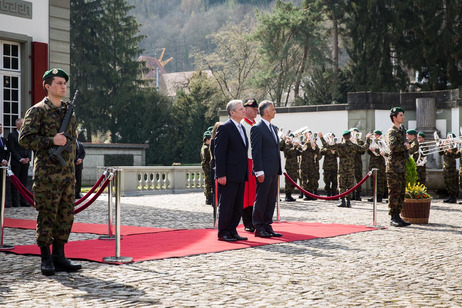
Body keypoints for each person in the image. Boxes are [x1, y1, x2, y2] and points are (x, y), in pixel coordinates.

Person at [19, 68, 82, 275]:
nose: (63, 87)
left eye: (64, 83)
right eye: (59, 83)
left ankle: (60, 256)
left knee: (66, 216)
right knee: (47, 216)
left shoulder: (68, 111)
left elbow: (72, 141)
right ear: (47, 86)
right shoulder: (37, 111)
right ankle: (46, 258)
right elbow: (25, 138)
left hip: (67, 175)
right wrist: (50, 141)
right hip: (47, 176)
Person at [214, 100, 248, 242]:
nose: (244, 111)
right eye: (241, 109)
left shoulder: (242, 128)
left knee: (237, 205)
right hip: (228, 174)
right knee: (227, 204)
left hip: (240, 173)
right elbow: (219, 153)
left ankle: (233, 230)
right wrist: (220, 174)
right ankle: (223, 232)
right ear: (232, 112)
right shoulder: (225, 128)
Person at [251, 100, 282, 238]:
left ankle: (267, 225)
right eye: (273, 109)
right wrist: (259, 171)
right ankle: (258, 227)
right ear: (266, 112)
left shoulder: (274, 128)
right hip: (264, 171)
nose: (275, 111)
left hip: (274, 170)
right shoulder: (257, 128)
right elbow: (256, 151)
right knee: (262, 199)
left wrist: (278, 169)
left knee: (271, 200)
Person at [319, 131, 370, 208]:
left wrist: (321, 138)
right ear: (350, 136)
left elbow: (327, 146)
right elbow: (364, 148)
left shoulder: (340, 145)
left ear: (343, 137)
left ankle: (343, 201)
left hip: (342, 168)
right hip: (351, 168)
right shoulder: (354, 145)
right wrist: (368, 139)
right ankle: (348, 202)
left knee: (342, 184)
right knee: (350, 185)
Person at [385, 107, 412, 227]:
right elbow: (393, 147)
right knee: (394, 192)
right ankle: (393, 217)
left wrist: (408, 148)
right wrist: (405, 146)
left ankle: (398, 215)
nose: (403, 117)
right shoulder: (392, 132)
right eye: (400, 115)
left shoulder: (402, 130)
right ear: (394, 117)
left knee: (401, 192)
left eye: (402, 115)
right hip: (394, 167)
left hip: (402, 166)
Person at [240, 98, 258, 231]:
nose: (255, 111)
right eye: (252, 109)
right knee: (247, 194)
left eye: (256, 109)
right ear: (245, 110)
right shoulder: (243, 125)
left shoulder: (254, 124)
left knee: (254, 193)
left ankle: (253, 219)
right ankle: (247, 221)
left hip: (255, 160)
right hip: (247, 160)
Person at [8, 118, 32, 207]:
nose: (23, 125)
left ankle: (23, 201)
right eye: (21, 123)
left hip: (26, 162)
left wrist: (28, 158)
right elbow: (12, 149)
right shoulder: (12, 135)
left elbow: (29, 147)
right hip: (17, 163)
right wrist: (20, 159)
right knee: (15, 183)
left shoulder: (26, 135)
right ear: (17, 125)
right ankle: (15, 202)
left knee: (23, 183)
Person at [280, 134, 301, 201]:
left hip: (295, 166)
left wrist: (299, 147)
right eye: (290, 138)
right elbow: (289, 152)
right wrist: (295, 146)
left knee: (294, 180)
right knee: (288, 181)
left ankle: (290, 194)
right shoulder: (286, 145)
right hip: (289, 166)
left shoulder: (293, 146)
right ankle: (287, 195)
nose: (291, 140)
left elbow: (299, 153)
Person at [367, 130, 387, 203]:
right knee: (373, 180)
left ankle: (379, 196)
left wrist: (376, 150)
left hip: (380, 163)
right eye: (374, 135)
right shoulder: (372, 142)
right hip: (373, 163)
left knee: (380, 180)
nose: (374, 136)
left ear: (379, 135)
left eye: (375, 135)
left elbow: (384, 150)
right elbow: (368, 151)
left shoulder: (381, 142)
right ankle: (374, 196)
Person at [300, 131, 320, 200]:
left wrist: (314, 145)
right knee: (304, 180)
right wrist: (308, 142)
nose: (309, 135)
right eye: (307, 134)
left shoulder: (313, 142)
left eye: (310, 134)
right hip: (304, 164)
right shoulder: (302, 142)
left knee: (311, 179)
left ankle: (311, 194)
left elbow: (318, 152)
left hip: (312, 164)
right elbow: (302, 150)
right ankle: (306, 194)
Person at [440, 132, 458, 203]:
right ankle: (449, 196)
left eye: (449, 137)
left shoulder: (454, 146)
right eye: (447, 137)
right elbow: (440, 153)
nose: (447, 139)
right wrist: (441, 146)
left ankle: (453, 197)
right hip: (446, 166)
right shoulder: (446, 145)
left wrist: (451, 152)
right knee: (447, 181)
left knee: (452, 182)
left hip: (451, 166)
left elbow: (456, 155)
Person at [350, 128, 366, 201]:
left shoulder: (360, 141)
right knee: (350, 179)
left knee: (358, 178)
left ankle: (358, 194)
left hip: (357, 162)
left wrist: (356, 142)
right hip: (349, 163)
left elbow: (362, 151)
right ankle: (351, 194)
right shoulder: (347, 140)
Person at [320, 133, 338, 197]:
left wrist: (334, 152)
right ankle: (328, 194)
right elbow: (321, 152)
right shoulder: (325, 145)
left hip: (334, 166)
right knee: (327, 181)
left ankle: (334, 194)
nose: (332, 138)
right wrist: (328, 148)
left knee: (334, 181)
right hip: (326, 166)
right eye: (330, 137)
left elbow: (339, 154)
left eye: (333, 137)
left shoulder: (336, 145)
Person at [200, 130, 212, 205]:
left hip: (206, 166)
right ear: (207, 139)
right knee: (208, 182)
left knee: (207, 181)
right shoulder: (206, 148)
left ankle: (208, 197)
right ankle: (208, 198)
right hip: (208, 167)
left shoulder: (204, 147)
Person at [0, 124, 10, 208]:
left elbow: (7, 151)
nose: (0, 130)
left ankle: (4, 202)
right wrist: (1, 160)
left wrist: (6, 160)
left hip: (4, 165)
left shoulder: (3, 140)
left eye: (1, 128)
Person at [75, 130, 86, 200]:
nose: (76, 135)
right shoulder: (70, 144)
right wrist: (75, 160)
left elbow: (83, 153)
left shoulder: (80, 144)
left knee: (79, 180)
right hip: (73, 165)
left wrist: (81, 159)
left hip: (79, 165)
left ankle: (78, 193)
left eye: (76, 133)